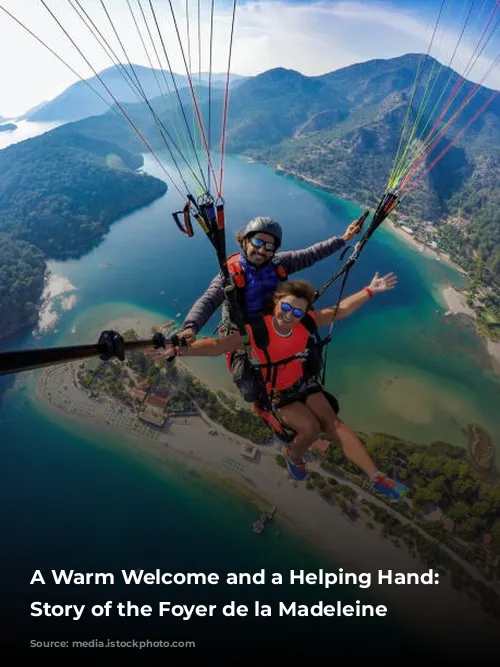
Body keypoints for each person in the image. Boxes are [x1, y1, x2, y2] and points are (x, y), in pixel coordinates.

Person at [149, 273, 408, 500]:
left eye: (297, 312)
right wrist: (179, 350)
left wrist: (370, 290)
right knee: (311, 429)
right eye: (285, 307)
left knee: (333, 423)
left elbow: (340, 310)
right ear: (276, 303)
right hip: (276, 393)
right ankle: (293, 456)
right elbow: (218, 346)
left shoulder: (306, 323)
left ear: (304, 313)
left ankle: (376, 477)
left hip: (302, 381)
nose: (289, 316)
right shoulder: (258, 331)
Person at [177, 215, 364, 400]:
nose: (261, 250)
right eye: (257, 242)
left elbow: (311, 254)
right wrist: (191, 327)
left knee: (313, 363)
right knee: (250, 390)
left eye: (268, 246)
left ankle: (295, 385)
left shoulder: (279, 263)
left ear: (274, 250)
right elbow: (209, 300)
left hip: (276, 325)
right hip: (244, 333)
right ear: (245, 241)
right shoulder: (230, 274)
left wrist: (343, 239)